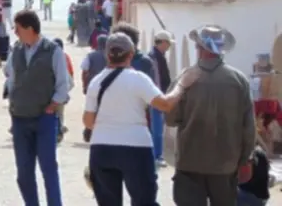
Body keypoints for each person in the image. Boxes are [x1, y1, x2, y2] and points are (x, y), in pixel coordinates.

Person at [83, 33, 199, 206]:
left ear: (107, 54)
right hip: (136, 147)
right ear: (131, 54)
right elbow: (165, 104)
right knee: (144, 200)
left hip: (102, 147)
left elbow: (88, 121)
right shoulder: (138, 79)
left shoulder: (96, 82)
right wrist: (181, 86)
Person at [165, 25, 256, 206]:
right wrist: (246, 159)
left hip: (190, 161)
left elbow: (170, 118)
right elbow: (248, 126)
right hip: (226, 163)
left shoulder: (184, 78)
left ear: (198, 48)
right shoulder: (239, 80)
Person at [4, 9, 69, 205]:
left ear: (30, 28)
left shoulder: (53, 51)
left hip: (44, 118)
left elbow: (64, 83)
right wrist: (13, 100)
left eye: (18, 28)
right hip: (20, 118)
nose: (15, 32)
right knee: (24, 172)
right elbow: (10, 77)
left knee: (48, 168)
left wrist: (54, 104)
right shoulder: (16, 51)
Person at [148, 30, 175, 167]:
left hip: (158, 96)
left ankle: (155, 154)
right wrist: (160, 97)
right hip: (156, 97)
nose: (169, 46)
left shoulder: (158, 56)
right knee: (157, 129)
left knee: (157, 128)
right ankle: (156, 156)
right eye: (168, 43)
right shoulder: (154, 57)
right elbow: (157, 79)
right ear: (163, 42)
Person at [81, 34, 108, 142]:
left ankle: (89, 131)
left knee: (91, 108)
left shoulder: (91, 56)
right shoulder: (110, 56)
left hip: (93, 86)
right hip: (107, 88)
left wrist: (84, 85)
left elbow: (84, 70)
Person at [52, 38, 74, 142]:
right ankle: (59, 132)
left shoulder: (47, 57)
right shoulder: (65, 57)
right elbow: (71, 74)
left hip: (48, 93)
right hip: (61, 91)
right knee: (60, 114)